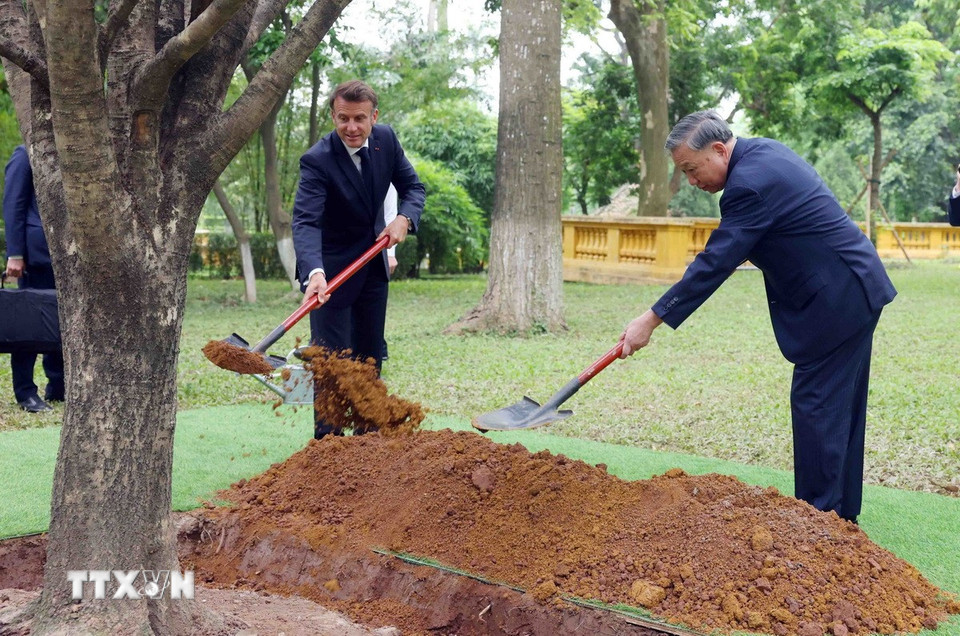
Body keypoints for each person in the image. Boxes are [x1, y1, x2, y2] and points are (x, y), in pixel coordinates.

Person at [618, 110, 897, 524]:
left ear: (718, 149)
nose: (693, 182)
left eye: (692, 170)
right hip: (854, 287)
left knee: (817, 409)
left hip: (836, 300)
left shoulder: (748, 185)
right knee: (840, 414)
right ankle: (839, 525)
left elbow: (715, 262)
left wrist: (651, 318)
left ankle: (817, 529)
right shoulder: (764, 153)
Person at [292, 80, 425, 439]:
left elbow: (413, 188)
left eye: (360, 119)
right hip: (330, 276)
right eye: (343, 118)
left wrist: (404, 218)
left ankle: (367, 447)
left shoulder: (387, 141)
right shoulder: (318, 159)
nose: (351, 127)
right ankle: (329, 453)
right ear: (333, 116)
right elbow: (305, 221)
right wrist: (314, 273)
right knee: (332, 365)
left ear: (374, 117)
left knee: (369, 359)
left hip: (372, 270)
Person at [3, 145, 64, 413]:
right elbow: (13, 203)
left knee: (61, 321)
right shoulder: (25, 153)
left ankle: (58, 386)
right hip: (34, 254)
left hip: (69, 256)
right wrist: (15, 253)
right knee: (28, 322)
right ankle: (26, 392)